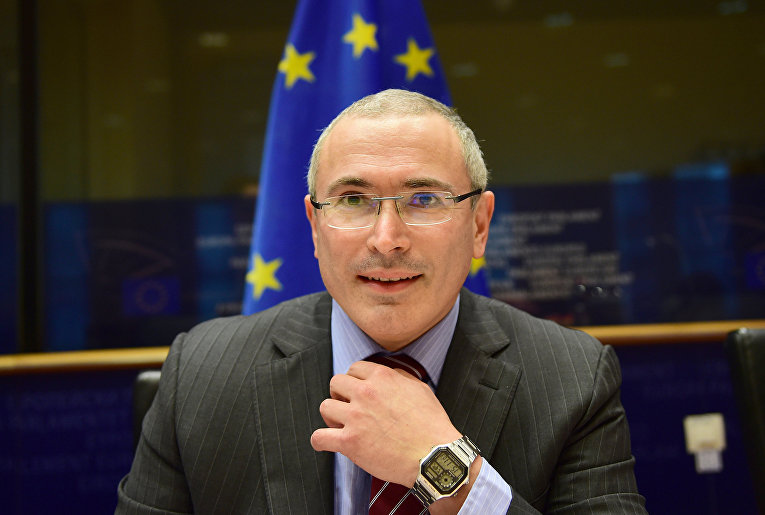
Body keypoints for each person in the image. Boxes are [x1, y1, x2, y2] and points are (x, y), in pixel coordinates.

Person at [116, 89, 647, 514]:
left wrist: (449, 471)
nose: (387, 239)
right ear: (315, 227)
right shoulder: (202, 373)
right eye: (353, 200)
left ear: (479, 225)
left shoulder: (574, 378)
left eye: (424, 199)